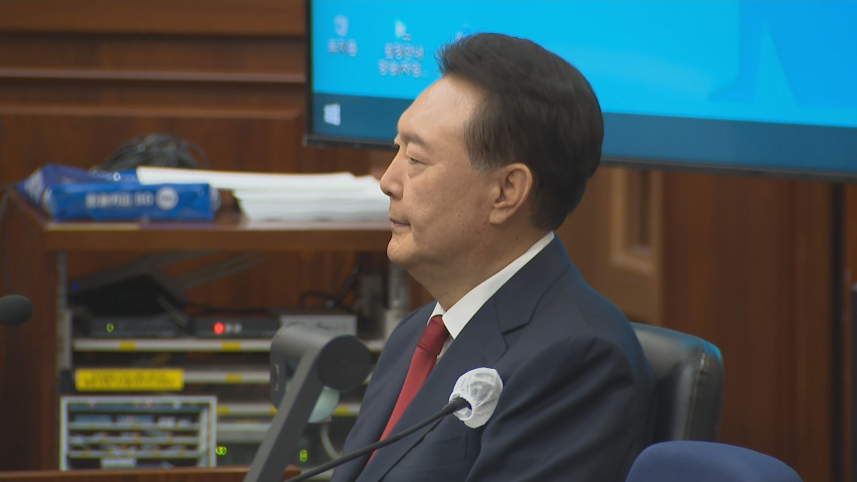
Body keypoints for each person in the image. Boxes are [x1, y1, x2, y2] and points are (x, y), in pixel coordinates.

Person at [331, 33, 654, 482]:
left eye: (416, 160)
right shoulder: (416, 334)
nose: (388, 181)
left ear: (506, 192)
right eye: (396, 150)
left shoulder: (579, 359)